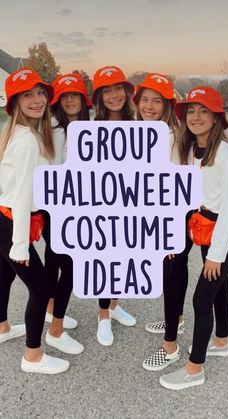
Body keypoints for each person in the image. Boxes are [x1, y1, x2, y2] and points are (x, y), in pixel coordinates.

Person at [159, 86, 228, 390]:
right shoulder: (191, 149)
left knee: (201, 297)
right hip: (203, 225)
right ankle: (222, 340)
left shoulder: (225, 152)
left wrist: (217, 254)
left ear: (217, 117)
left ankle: (195, 369)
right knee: (219, 289)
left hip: (225, 231)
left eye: (204, 110)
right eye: (191, 110)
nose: (196, 116)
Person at [0, 67, 69, 374]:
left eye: (40, 93)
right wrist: (19, 245)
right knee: (41, 288)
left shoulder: (19, 131)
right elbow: (23, 193)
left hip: (4, 217)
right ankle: (33, 356)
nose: (37, 99)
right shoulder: (27, 140)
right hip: (14, 222)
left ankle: (2, 327)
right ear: (14, 102)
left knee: (4, 276)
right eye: (27, 95)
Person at [134, 73, 190, 372]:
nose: (150, 106)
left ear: (168, 104)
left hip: (173, 217)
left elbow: (176, 186)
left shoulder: (171, 135)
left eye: (157, 100)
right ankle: (177, 321)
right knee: (174, 270)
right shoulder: (139, 131)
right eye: (145, 99)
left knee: (170, 273)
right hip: (154, 215)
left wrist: (170, 228)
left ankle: (170, 347)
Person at [43, 73, 91, 355]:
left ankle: (51, 309)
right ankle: (55, 330)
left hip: (81, 207)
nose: (70, 99)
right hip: (58, 206)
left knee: (54, 260)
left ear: (83, 99)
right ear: (57, 101)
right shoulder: (51, 125)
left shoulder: (89, 127)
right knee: (72, 267)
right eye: (64, 95)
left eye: (74, 94)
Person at [92, 65, 136, 346]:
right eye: (107, 91)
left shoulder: (139, 125)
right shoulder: (91, 128)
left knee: (123, 259)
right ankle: (102, 315)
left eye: (118, 88)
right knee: (102, 261)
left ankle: (115, 304)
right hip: (100, 205)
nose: (114, 95)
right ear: (99, 97)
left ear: (126, 92)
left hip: (131, 204)